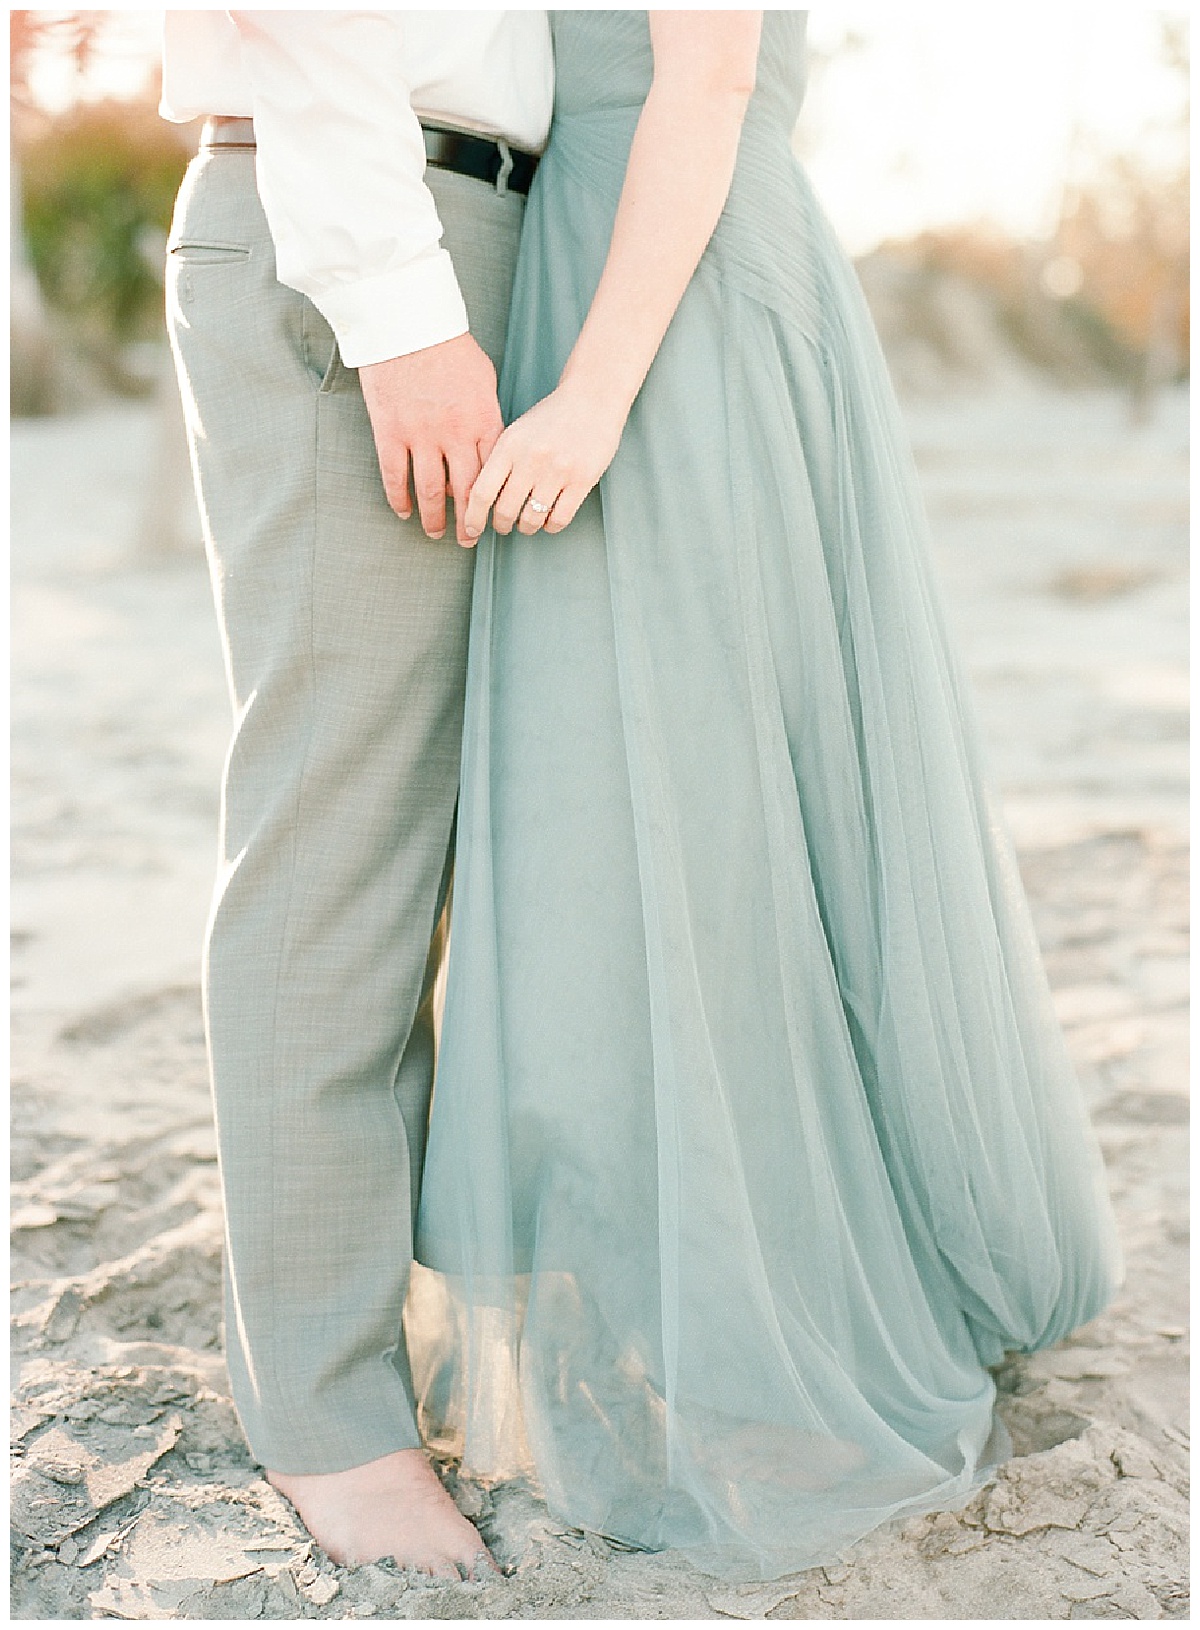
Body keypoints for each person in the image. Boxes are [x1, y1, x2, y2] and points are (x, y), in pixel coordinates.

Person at [413, 11, 1124, 1580]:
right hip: (604, 263)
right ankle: (700, 1288)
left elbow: (713, 73)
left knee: (714, 817)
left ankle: (780, 1319)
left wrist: (597, 391)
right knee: (638, 809)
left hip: (665, 292)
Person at [160, 10, 552, 1578]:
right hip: (368, 224)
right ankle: (328, 1418)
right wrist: (397, 312)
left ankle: (387, 1331)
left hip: (468, 217)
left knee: (430, 831)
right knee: (341, 833)